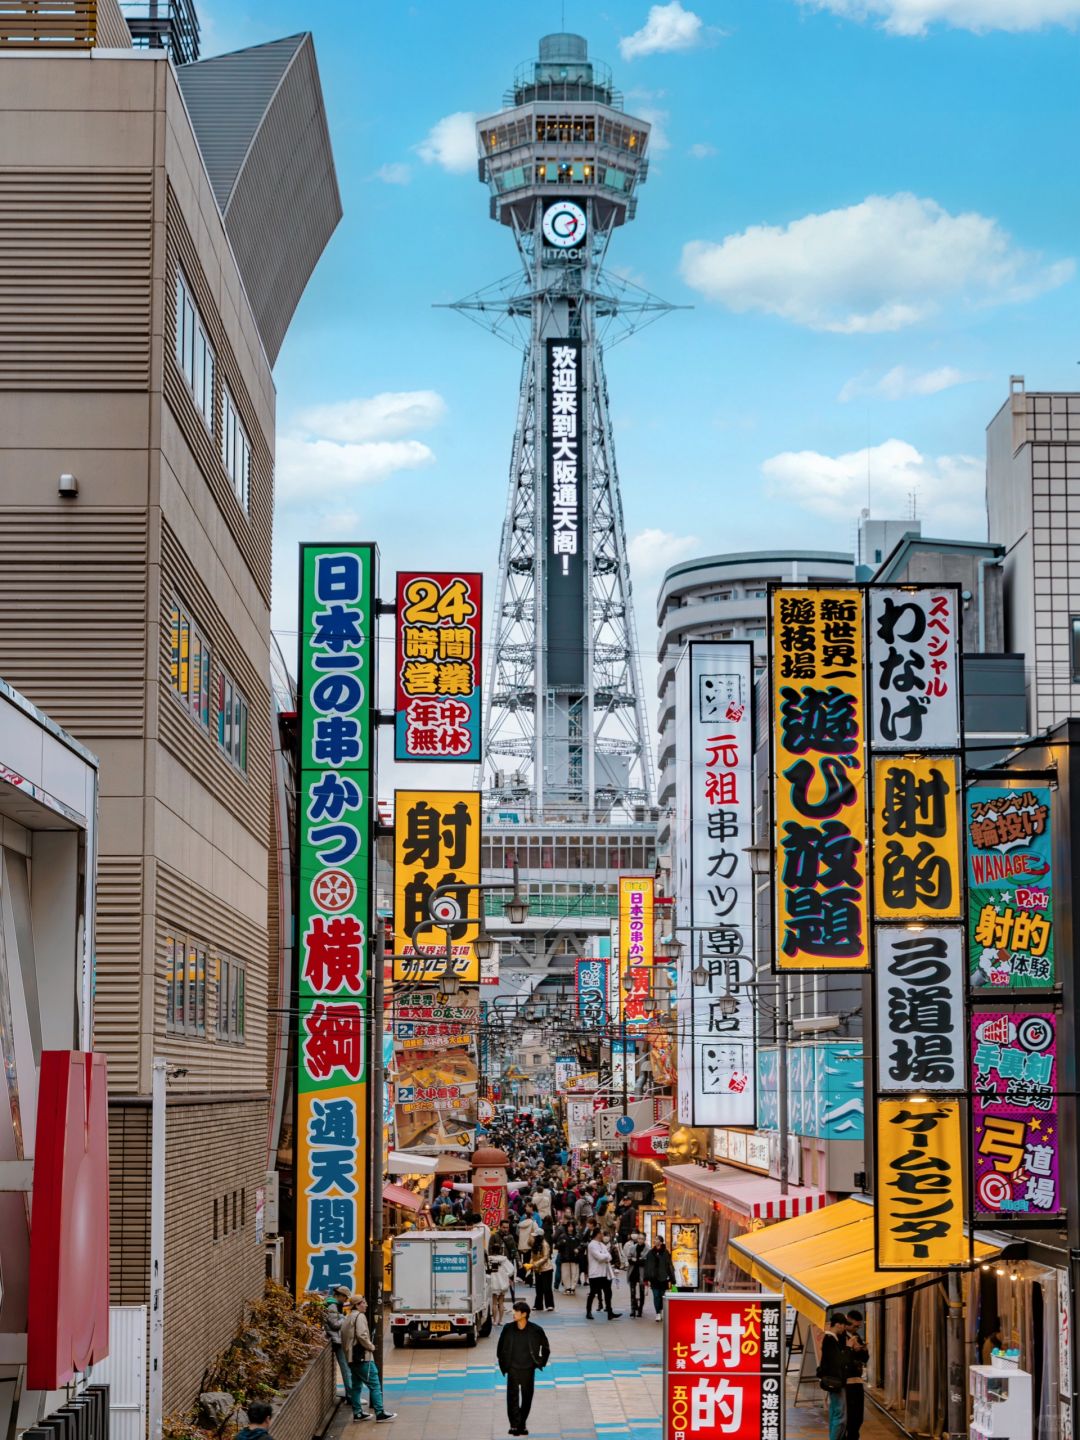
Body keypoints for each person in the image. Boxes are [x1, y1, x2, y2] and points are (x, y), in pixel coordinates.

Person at [497, 1300, 551, 1437]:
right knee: (512, 1398)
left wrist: (540, 1362)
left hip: (528, 1369)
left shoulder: (536, 1330)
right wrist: (504, 1364)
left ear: (524, 1314)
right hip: (513, 1369)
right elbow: (500, 1348)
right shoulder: (508, 1328)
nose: (513, 1313)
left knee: (527, 1398)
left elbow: (546, 1348)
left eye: (516, 1311)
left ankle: (522, 1423)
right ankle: (515, 1425)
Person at [342, 1295, 396, 1423]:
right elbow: (362, 1335)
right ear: (357, 1305)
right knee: (375, 1384)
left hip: (351, 1358)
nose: (366, 1305)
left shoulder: (348, 1318)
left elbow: (344, 1337)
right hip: (362, 1358)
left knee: (356, 1386)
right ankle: (380, 1412)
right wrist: (370, 1346)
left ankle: (358, 1413)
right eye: (363, 1303)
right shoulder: (360, 1317)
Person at [817, 1311, 850, 1440]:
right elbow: (839, 1361)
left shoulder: (831, 1338)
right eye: (843, 1325)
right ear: (838, 1325)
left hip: (833, 1380)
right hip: (835, 1381)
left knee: (835, 1412)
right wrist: (848, 1348)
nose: (844, 1328)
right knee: (840, 1415)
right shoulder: (830, 1339)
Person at [585, 1229, 621, 1320]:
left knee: (608, 1292)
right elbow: (599, 1257)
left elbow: (610, 1256)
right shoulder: (591, 1245)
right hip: (595, 1273)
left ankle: (610, 1312)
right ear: (597, 1234)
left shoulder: (602, 1245)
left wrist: (605, 1256)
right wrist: (605, 1256)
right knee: (593, 1292)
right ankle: (588, 1311)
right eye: (601, 1233)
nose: (603, 1235)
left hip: (605, 1273)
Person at [844, 1310, 869, 1440]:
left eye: (858, 1326)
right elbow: (842, 1360)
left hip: (857, 1381)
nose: (856, 1329)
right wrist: (851, 1349)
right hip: (846, 1382)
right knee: (848, 1416)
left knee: (858, 1416)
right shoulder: (840, 1337)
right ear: (847, 1322)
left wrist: (861, 1350)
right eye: (854, 1326)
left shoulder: (857, 1337)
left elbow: (865, 1358)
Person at [324, 1287, 353, 1394]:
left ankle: (351, 1394)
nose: (345, 1301)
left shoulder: (332, 1304)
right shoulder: (332, 1305)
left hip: (337, 1339)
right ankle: (351, 1395)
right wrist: (345, 1318)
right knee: (346, 1368)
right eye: (345, 1298)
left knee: (347, 1368)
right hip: (336, 1340)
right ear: (339, 1295)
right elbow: (335, 1324)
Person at [642, 1236, 676, 1323]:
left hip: (663, 1278)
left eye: (657, 1239)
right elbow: (647, 1266)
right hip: (654, 1278)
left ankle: (661, 1310)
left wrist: (672, 1278)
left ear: (661, 1242)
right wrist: (646, 1278)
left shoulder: (665, 1252)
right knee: (656, 1295)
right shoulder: (650, 1253)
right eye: (655, 1239)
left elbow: (669, 1265)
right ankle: (657, 1313)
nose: (655, 1240)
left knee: (662, 1296)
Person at [526, 1234, 555, 1312]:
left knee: (547, 1288)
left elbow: (546, 1257)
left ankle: (549, 1305)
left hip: (546, 1269)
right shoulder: (535, 1244)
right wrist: (530, 1264)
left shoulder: (545, 1244)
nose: (534, 1238)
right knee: (538, 1288)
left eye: (535, 1236)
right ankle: (538, 1305)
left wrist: (535, 1264)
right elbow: (532, 1256)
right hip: (537, 1269)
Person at [622, 1232, 647, 1318]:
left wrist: (636, 1260)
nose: (640, 1240)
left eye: (642, 1239)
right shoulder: (632, 1247)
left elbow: (645, 1262)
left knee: (642, 1291)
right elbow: (629, 1259)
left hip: (642, 1273)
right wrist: (638, 1260)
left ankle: (640, 1309)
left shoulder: (648, 1249)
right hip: (633, 1271)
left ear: (645, 1240)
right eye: (639, 1238)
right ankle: (633, 1308)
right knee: (632, 1292)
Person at [489, 1250, 516, 1326]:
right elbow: (511, 1270)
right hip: (503, 1283)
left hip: (493, 1282)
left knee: (494, 1303)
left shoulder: (489, 1259)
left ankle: (494, 1320)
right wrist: (505, 1274)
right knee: (501, 1302)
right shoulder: (504, 1260)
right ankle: (500, 1320)